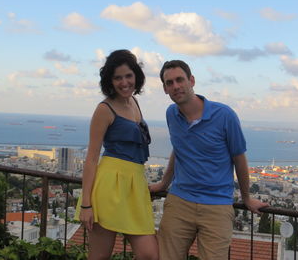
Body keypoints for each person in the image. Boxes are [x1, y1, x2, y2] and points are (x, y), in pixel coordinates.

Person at [149, 60, 269, 260]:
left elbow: (239, 158)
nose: (176, 86)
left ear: (192, 81)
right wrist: (164, 183)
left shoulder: (224, 115)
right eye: (170, 83)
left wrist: (246, 197)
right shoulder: (171, 114)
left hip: (217, 204)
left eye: (180, 79)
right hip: (180, 200)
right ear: (164, 89)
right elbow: (178, 149)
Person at [76, 49, 158, 260]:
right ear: (109, 81)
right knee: (100, 256)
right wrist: (86, 204)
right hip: (109, 186)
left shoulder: (134, 102)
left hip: (135, 185)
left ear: (136, 76)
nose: (124, 82)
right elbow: (92, 158)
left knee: (149, 254)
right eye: (117, 77)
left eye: (128, 76)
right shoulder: (104, 109)